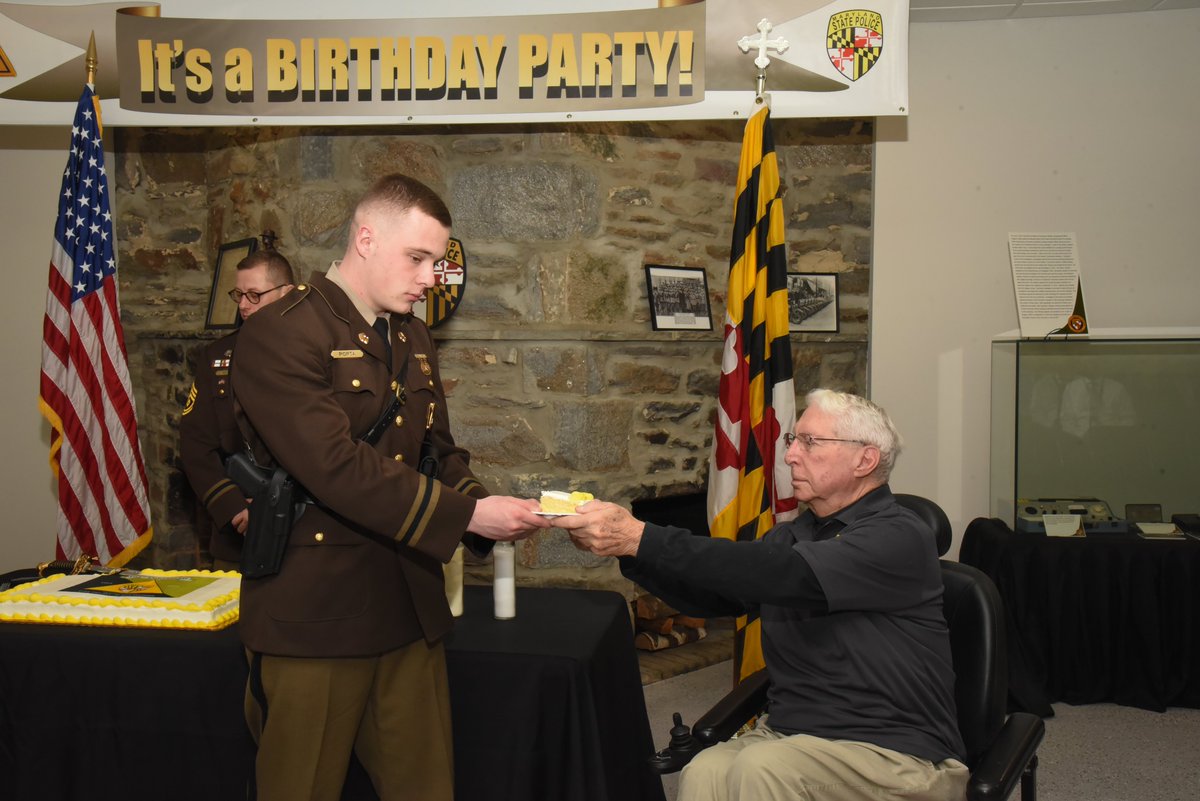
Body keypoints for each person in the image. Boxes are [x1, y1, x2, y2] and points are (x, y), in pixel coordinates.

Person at [230, 173, 550, 801]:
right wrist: (464, 519)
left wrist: (481, 499)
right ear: (366, 238)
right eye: (419, 258)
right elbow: (334, 465)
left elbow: (437, 449)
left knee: (425, 787)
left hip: (406, 603)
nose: (432, 277)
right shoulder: (282, 331)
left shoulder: (411, 335)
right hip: (315, 614)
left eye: (437, 262)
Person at [557, 389, 968, 801]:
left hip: (897, 751)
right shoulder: (795, 534)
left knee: (762, 770)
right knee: (705, 772)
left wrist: (642, 536)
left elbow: (788, 575)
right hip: (795, 733)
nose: (790, 456)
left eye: (811, 442)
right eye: (793, 441)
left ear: (865, 459)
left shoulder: (898, 535)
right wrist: (630, 551)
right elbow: (716, 598)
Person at [179, 249, 296, 571]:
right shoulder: (218, 357)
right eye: (239, 294)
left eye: (255, 295)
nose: (243, 305)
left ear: (286, 293)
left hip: (304, 532)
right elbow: (195, 443)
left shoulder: (317, 353)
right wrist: (231, 505)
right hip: (240, 531)